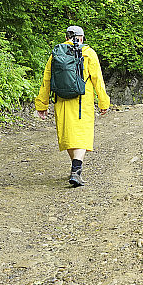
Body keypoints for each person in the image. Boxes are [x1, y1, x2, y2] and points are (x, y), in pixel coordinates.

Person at [35, 26, 110, 187]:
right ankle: (76, 170)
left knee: (69, 135)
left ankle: (75, 168)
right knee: (82, 136)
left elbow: (46, 80)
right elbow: (98, 80)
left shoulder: (56, 53)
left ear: (67, 37)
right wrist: (103, 102)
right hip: (83, 101)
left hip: (61, 100)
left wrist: (42, 104)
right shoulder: (89, 53)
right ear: (81, 38)